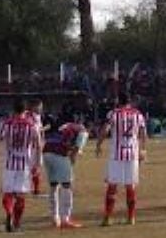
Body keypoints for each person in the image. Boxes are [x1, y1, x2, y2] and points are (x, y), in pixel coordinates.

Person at [96, 92, 147, 226]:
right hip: (132, 153)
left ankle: (107, 217)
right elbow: (143, 133)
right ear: (130, 102)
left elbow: (105, 129)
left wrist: (98, 144)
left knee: (112, 185)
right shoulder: (138, 114)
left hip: (116, 154)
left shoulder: (113, 113)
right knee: (130, 185)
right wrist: (143, 149)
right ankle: (131, 218)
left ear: (118, 101)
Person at [0, 99, 42, 233]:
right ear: (25, 111)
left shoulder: (6, 124)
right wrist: (38, 162)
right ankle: (17, 223)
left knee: (8, 193)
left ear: (13, 110)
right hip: (24, 164)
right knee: (21, 195)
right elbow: (38, 144)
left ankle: (8, 212)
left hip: (9, 163)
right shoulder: (31, 125)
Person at [42, 120, 88, 229]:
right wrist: (71, 163)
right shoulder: (83, 131)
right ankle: (65, 219)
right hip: (59, 153)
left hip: (46, 151)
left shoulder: (66, 126)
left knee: (53, 185)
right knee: (66, 185)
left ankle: (54, 218)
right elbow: (76, 150)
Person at [25, 99, 48, 196]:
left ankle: (35, 188)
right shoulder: (27, 115)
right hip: (30, 146)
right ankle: (33, 189)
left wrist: (44, 130)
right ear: (34, 106)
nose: (41, 109)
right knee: (32, 167)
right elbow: (32, 130)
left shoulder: (37, 116)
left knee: (36, 167)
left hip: (37, 144)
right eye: (40, 107)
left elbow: (38, 129)